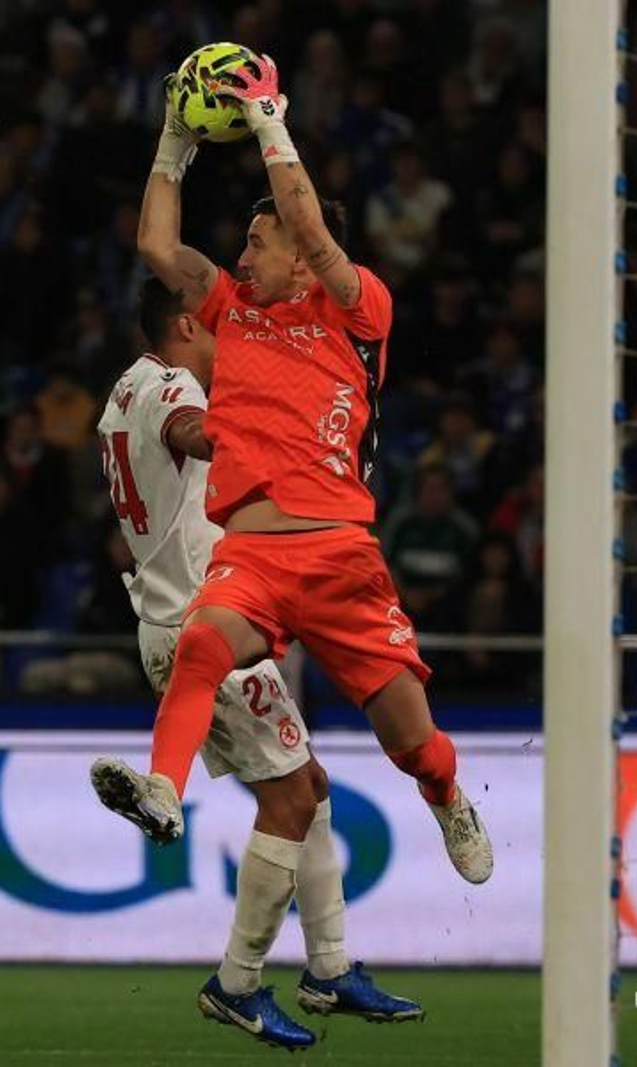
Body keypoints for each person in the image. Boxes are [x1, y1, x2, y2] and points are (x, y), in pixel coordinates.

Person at [91, 59, 493, 1045]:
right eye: (249, 233)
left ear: (305, 258)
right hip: (257, 557)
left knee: (413, 741)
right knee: (201, 644)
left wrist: (271, 123)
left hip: (345, 558)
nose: (248, 241)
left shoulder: (357, 309)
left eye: (258, 234)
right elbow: (154, 242)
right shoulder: (232, 310)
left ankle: (447, 795)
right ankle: (161, 788)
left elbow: (308, 225)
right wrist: (172, 147)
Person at [99, 279, 425, 1050]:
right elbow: (193, 431)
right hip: (204, 624)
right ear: (185, 323)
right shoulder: (175, 386)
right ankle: (238, 982)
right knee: (291, 801)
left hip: (184, 615)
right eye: (213, 325)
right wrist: (283, 417)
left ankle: (330, 965)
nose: (227, 339)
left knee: (306, 787)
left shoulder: (121, 391)